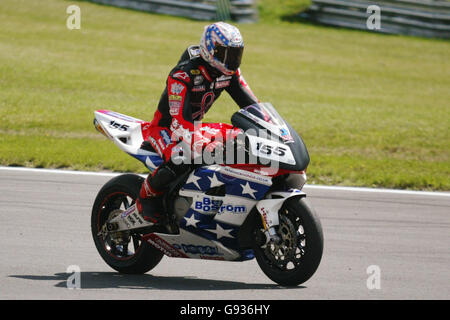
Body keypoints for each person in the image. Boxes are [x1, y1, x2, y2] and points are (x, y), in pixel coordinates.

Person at [136, 22, 259, 225]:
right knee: (181, 157)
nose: (231, 60)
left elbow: (252, 106)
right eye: (225, 53)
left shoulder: (229, 73)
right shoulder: (183, 74)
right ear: (210, 49)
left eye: (235, 53)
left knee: (240, 140)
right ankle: (146, 197)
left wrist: (270, 126)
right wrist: (201, 143)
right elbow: (180, 121)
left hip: (196, 126)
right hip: (168, 128)